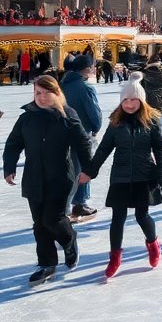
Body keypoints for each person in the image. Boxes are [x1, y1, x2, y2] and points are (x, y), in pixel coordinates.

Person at [3, 76, 94, 286]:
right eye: (38, 93)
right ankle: (47, 264)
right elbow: (13, 144)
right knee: (39, 224)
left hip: (60, 177)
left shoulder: (67, 116)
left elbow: (83, 144)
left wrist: (88, 169)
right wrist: (9, 167)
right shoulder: (26, 118)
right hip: (33, 178)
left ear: (57, 93)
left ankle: (69, 240)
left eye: (47, 93)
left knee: (53, 219)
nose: (42, 98)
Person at [78, 72, 162, 278]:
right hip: (120, 176)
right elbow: (103, 149)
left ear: (141, 100)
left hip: (144, 175)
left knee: (142, 215)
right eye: (125, 100)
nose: (129, 104)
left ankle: (153, 244)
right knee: (117, 218)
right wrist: (90, 171)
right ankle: (115, 257)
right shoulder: (116, 122)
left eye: (133, 99)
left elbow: (160, 149)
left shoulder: (152, 121)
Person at [61, 55, 103, 222]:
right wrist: (96, 127)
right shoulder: (85, 87)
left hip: (63, 133)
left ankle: (72, 204)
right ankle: (79, 203)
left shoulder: (62, 84)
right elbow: (94, 112)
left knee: (69, 168)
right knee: (83, 167)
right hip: (82, 133)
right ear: (87, 69)